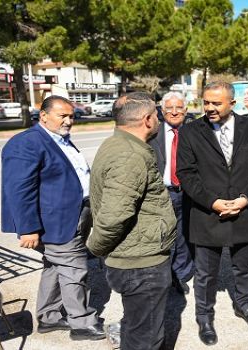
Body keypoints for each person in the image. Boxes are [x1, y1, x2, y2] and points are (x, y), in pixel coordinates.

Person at [176, 82, 248, 346]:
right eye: (206, 102)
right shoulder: (191, 131)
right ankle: (204, 318)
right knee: (206, 273)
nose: (209, 108)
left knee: (243, 267)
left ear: (232, 103)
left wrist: (244, 199)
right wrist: (213, 202)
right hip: (207, 214)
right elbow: (186, 173)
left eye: (216, 103)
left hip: (245, 212)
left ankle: (244, 305)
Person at [1, 95, 104, 341]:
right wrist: (28, 228)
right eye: (63, 116)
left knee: (55, 267)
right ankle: (81, 323)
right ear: (43, 115)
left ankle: (48, 317)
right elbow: (19, 190)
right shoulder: (27, 143)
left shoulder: (60, 139)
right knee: (74, 268)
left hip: (74, 215)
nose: (69, 121)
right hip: (54, 222)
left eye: (71, 116)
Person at [87, 92, 177, 350]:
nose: (160, 120)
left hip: (137, 259)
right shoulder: (130, 155)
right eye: (157, 116)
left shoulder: (120, 144)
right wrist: (96, 248)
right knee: (145, 339)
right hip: (141, 265)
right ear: (148, 119)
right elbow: (113, 217)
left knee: (137, 326)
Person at [148, 91, 195, 295]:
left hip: (188, 192)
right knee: (163, 236)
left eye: (179, 108)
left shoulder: (195, 132)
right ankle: (163, 276)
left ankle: (181, 275)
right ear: (162, 110)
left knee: (185, 235)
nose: (174, 112)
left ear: (186, 110)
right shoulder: (151, 132)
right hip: (161, 192)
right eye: (169, 108)